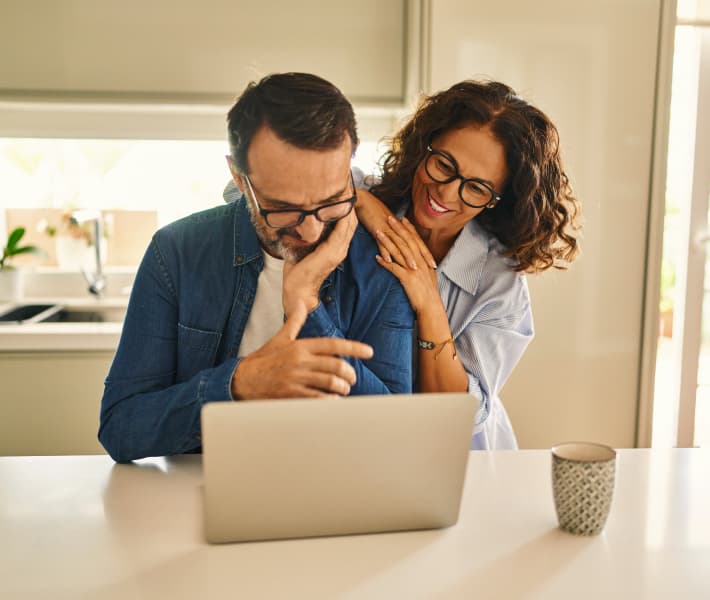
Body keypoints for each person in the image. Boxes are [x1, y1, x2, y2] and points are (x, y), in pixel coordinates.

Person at [99, 73, 414, 463]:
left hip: (341, 490)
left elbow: (398, 432)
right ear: (238, 176)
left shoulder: (381, 263)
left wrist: (308, 305)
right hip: (206, 491)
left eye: (333, 200)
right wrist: (238, 383)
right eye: (283, 208)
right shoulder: (178, 252)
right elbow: (120, 427)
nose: (312, 229)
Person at [355, 79, 581, 450]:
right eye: (444, 164)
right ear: (424, 145)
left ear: (499, 199)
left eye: (476, 188)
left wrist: (429, 303)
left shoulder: (501, 285)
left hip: (464, 462)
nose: (445, 193)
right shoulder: (363, 197)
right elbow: (251, 191)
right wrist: (362, 202)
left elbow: (459, 413)